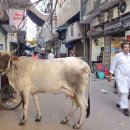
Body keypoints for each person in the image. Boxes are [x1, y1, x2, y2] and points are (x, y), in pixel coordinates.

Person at [108, 42, 130, 116]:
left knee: (122, 91)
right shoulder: (118, 56)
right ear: (122, 48)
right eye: (125, 47)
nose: (127, 49)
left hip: (128, 77)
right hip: (120, 77)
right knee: (124, 92)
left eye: (128, 47)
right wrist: (110, 74)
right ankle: (125, 108)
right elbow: (113, 65)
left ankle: (118, 102)